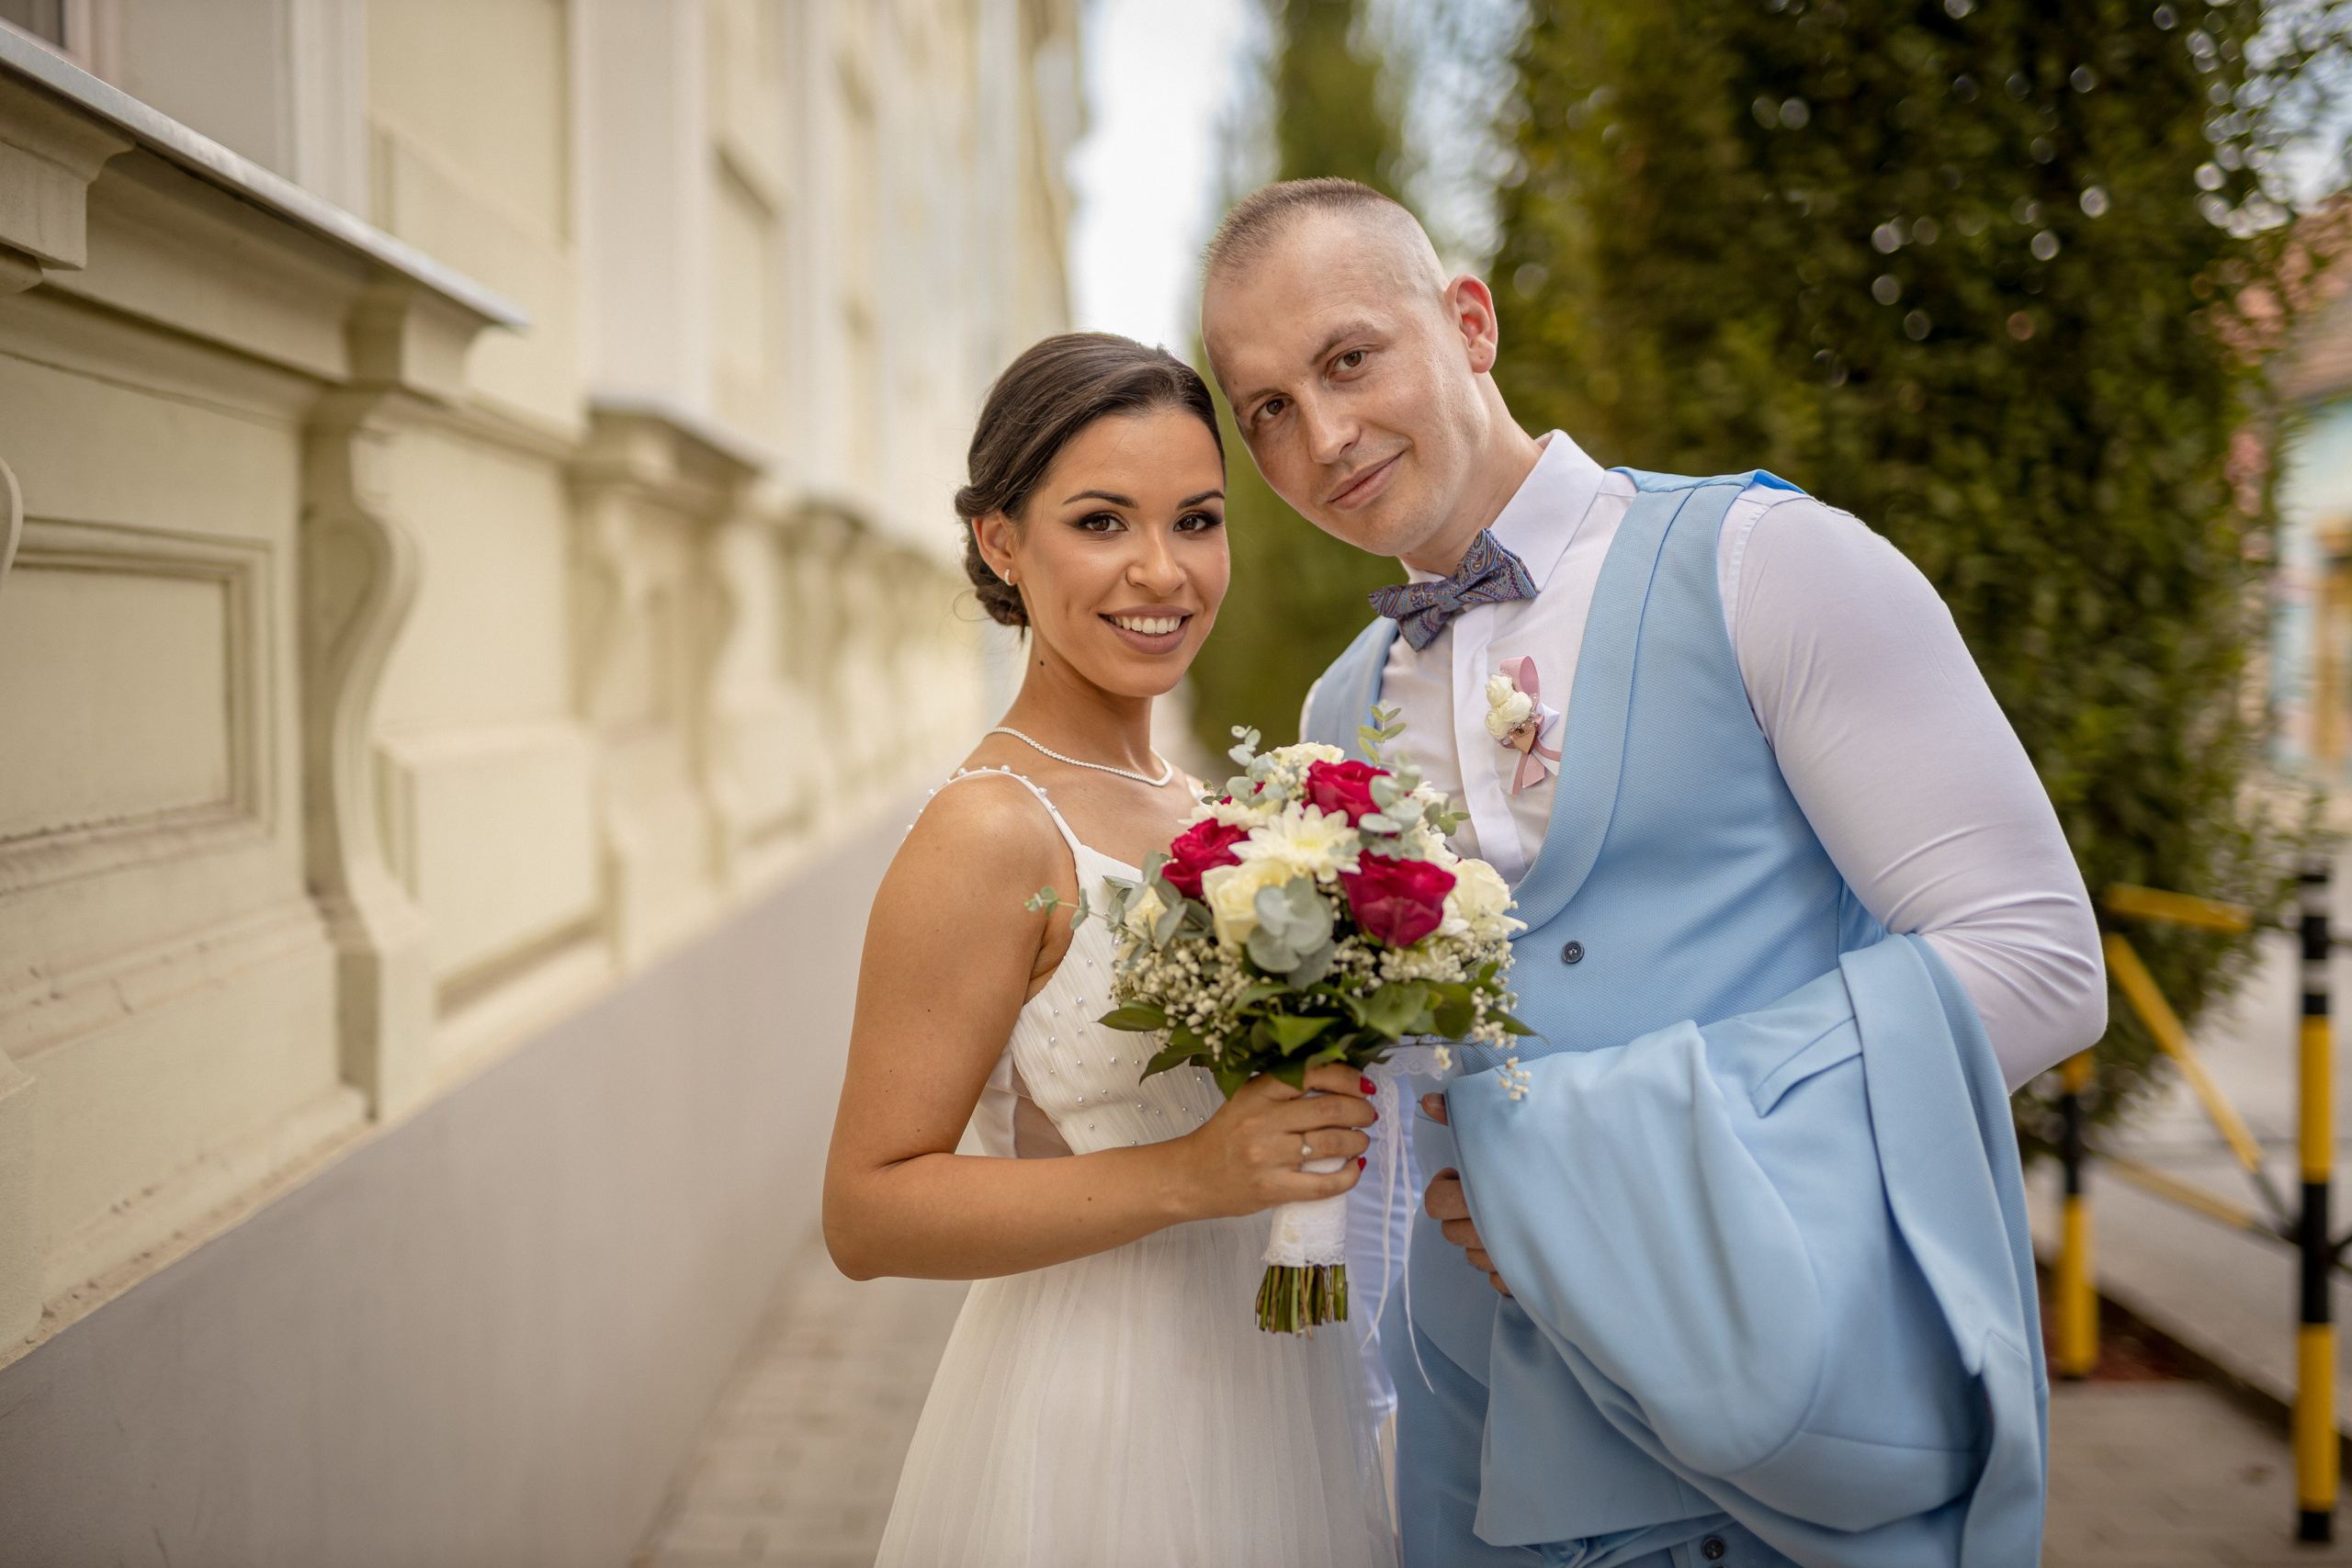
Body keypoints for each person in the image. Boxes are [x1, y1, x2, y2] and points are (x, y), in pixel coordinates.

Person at [1198, 178, 2106, 1568]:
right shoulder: (1339, 717)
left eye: (1347, 360)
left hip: (1776, 1417)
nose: (1321, 437)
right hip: (1479, 1450)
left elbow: (2037, 961)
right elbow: (1388, 1104)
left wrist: (1578, 1177)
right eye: (1266, 408)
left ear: (1470, 322)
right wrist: (1363, 1419)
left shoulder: (1771, 567)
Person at [824, 332, 1397, 1568]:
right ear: (1002, 543)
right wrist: (1193, 1175)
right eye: (1101, 522)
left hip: (1271, 1387)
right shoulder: (989, 829)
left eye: (1196, 519)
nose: (1162, 571)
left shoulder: (1203, 810)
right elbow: (867, 1214)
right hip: (1106, 1419)